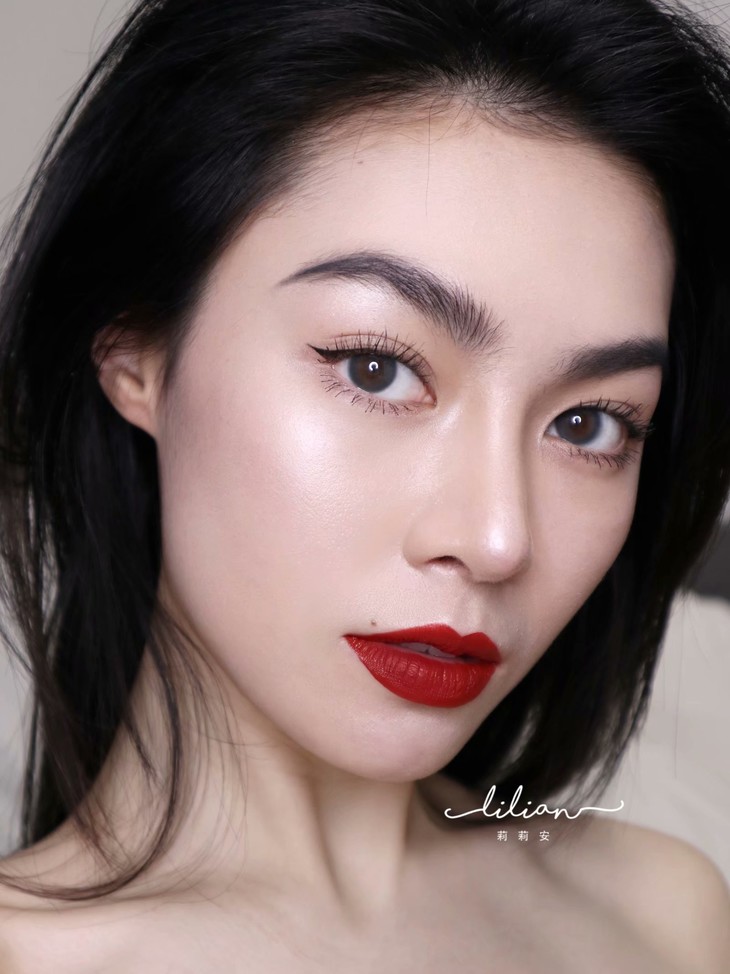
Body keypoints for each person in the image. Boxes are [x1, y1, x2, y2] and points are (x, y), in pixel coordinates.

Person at [0, 0, 729, 970]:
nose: (497, 537)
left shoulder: (660, 915)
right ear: (136, 351)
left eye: (589, 423)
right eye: (376, 369)